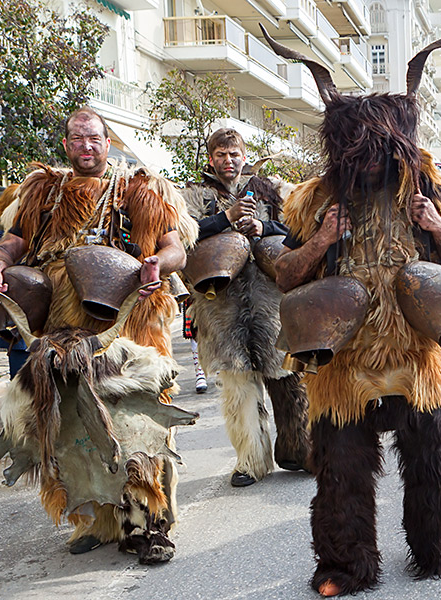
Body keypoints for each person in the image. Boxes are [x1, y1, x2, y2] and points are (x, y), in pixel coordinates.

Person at [266, 21, 441, 595]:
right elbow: (283, 275)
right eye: (357, 155)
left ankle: (436, 546)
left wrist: (436, 226)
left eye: (379, 152)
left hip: (416, 357)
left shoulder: (429, 188)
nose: (368, 166)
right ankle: (344, 565)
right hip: (342, 362)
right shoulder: (315, 198)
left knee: (436, 461)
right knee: (341, 472)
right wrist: (320, 241)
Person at [0, 106, 196, 560]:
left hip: (131, 316)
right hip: (62, 325)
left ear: (107, 141)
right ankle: (94, 519)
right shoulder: (43, 193)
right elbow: (15, 242)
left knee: (134, 419)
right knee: (68, 419)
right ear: (66, 144)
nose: (86, 146)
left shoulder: (140, 192)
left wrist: (159, 264)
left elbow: (174, 244)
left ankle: (148, 523)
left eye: (94, 138)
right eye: (78, 138)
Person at [182, 128, 312, 487]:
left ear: (244, 155)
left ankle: (300, 449)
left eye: (234, 154)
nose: (228, 161)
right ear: (211, 159)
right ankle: (250, 461)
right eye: (221, 154)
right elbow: (182, 234)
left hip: (271, 301)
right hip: (220, 305)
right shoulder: (194, 196)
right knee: (239, 385)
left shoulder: (270, 190)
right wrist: (225, 218)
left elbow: (297, 230)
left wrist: (263, 224)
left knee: (288, 378)